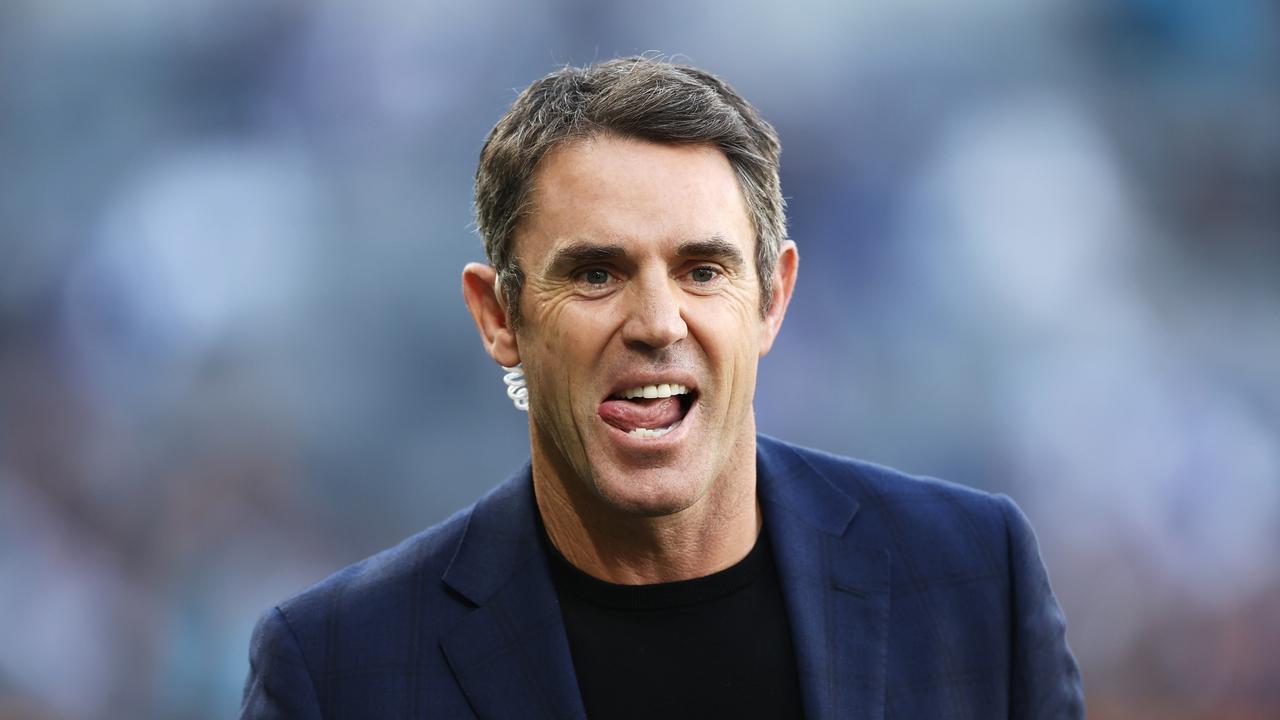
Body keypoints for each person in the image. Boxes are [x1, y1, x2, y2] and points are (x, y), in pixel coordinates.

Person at [240, 56, 1083, 719]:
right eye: (598, 273)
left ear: (772, 299)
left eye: (702, 269)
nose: (657, 322)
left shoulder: (974, 578)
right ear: (500, 316)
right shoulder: (338, 667)